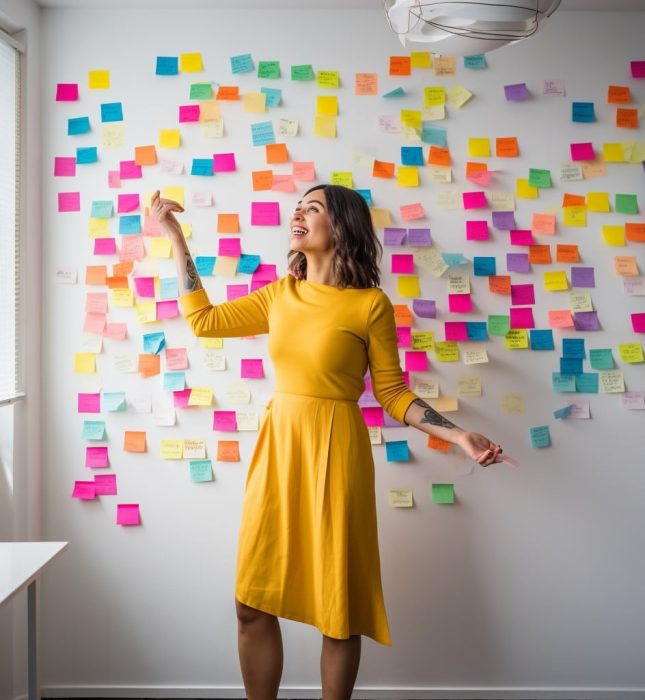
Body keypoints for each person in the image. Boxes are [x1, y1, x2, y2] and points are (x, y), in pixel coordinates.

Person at [151, 184, 502, 700]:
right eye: (298, 207)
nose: (298, 213)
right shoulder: (280, 294)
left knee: (338, 611)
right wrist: (175, 236)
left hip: (337, 454)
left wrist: (458, 434)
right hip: (278, 451)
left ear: (340, 226)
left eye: (311, 207)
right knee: (251, 604)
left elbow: (392, 392)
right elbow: (204, 322)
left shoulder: (370, 306)